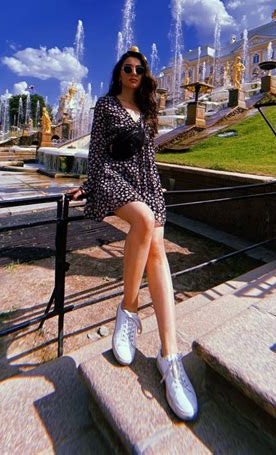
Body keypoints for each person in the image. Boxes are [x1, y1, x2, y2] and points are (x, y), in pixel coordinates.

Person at [70, 47, 198, 421]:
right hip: (112, 177)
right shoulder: (106, 105)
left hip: (146, 183)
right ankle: (128, 309)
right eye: (127, 68)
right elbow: (96, 152)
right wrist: (89, 184)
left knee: (157, 249)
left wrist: (156, 192)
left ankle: (169, 356)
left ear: (144, 74)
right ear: (119, 72)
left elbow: (149, 160)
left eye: (139, 69)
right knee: (143, 222)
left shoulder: (147, 110)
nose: (133, 73)